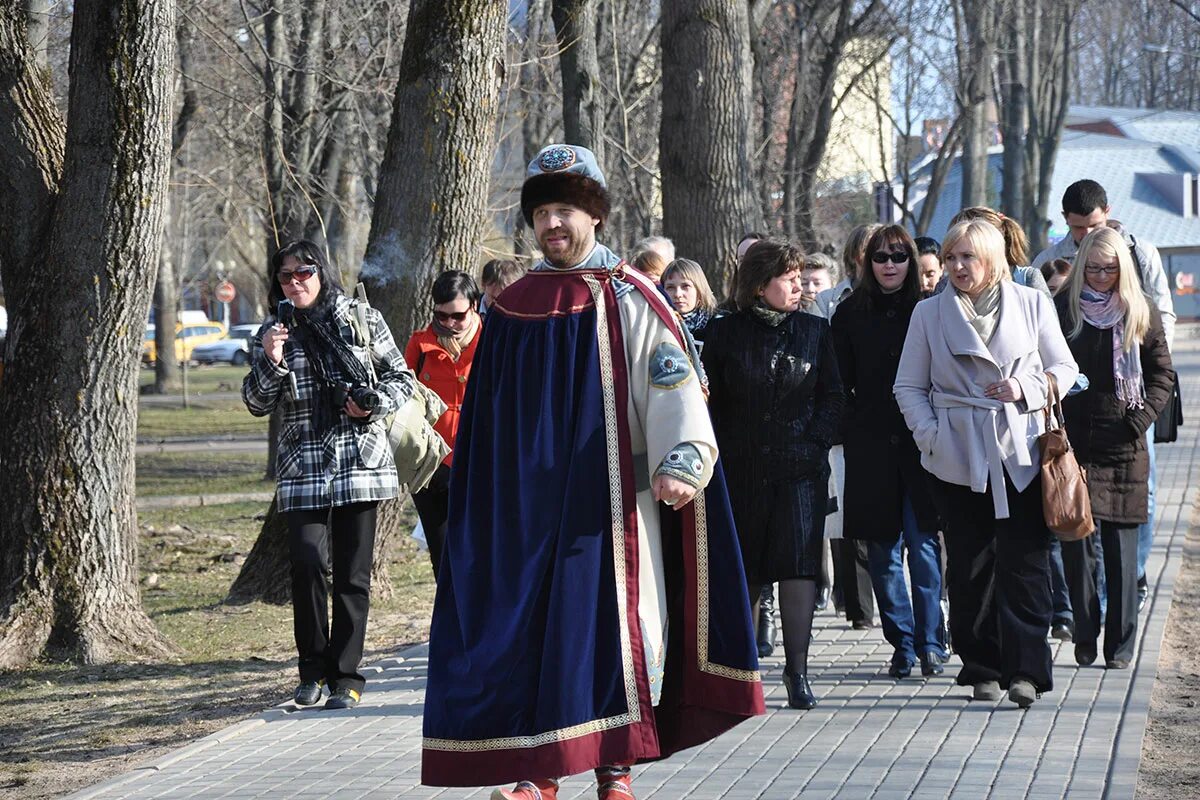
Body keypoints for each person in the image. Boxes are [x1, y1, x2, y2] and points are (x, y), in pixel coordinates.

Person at [421, 145, 763, 800]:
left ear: (595, 217)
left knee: (608, 637)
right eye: (544, 212)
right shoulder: (514, 306)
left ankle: (615, 771)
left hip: (610, 511)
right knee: (531, 638)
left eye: (567, 210)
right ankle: (540, 773)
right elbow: (488, 417)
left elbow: (671, 377)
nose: (554, 224)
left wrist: (682, 457)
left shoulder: (630, 297)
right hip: (527, 516)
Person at [894, 219, 1078, 708]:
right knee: (970, 565)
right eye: (950, 257)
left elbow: (1065, 367)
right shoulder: (928, 315)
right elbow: (908, 386)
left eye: (966, 258)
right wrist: (931, 436)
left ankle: (1027, 671)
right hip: (957, 454)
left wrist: (1027, 389)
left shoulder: (1031, 303)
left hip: (1019, 450)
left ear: (992, 260)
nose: (956, 266)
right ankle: (981, 666)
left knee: (1026, 564)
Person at [242, 240, 416, 711]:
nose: (295, 282)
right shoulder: (273, 330)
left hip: (360, 463)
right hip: (303, 469)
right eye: (285, 276)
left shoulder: (361, 319)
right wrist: (271, 360)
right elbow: (256, 403)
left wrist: (373, 402)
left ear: (322, 271)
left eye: (304, 272)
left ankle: (347, 677)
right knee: (307, 566)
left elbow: (402, 380)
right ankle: (311, 672)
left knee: (353, 576)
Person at [702, 239, 845, 710]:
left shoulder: (813, 330)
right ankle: (740, 673)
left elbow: (833, 397)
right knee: (748, 568)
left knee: (799, 564)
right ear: (760, 285)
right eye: (788, 277)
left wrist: (816, 444)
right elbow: (710, 402)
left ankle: (797, 670)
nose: (798, 284)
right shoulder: (726, 334)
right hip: (741, 467)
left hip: (801, 467)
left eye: (801, 276)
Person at [1031, 180, 1177, 611]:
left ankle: (1131, 581)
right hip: (1078, 414)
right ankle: (1085, 600)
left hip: (1131, 399)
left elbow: (1161, 313)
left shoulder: (1137, 252)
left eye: (1090, 225)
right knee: (1075, 505)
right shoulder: (1050, 260)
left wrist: (1134, 352)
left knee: (1139, 495)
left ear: (1107, 212)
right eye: (1076, 229)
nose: (1083, 237)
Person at [1055, 226, 1174, 670]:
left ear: (1122, 268)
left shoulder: (1141, 312)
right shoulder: (1063, 310)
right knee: (1077, 550)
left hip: (1125, 441)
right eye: (1093, 267)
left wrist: (1141, 419)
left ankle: (1121, 647)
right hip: (1074, 446)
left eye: (1110, 268)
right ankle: (1084, 637)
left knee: (1123, 556)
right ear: (1081, 262)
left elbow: (1163, 374)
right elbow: (1046, 365)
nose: (1102, 276)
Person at [832, 225, 945, 680]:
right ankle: (902, 642)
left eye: (899, 256)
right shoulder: (849, 314)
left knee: (923, 548)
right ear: (867, 263)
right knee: (882, 553)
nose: (890, 264)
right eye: (881, 257)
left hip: (923, 445)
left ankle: (932, 641)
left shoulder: (932, 309)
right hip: (872, 446)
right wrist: (852, 428)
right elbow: (838, 384)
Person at [816, 224, 878, 631]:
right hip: (844, 415)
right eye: (873, 253)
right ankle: (857, 605)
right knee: (848, 515)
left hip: (886, 416)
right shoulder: (828, 301)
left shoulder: (904, 300)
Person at [404, 270, 483, 580]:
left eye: (458, 316)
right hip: (432, 468)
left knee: (479, 555)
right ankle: (452, 625)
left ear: (474, 307)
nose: (449, 323)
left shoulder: (492, 341)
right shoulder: (418, 345)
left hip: (478, 466)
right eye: (441, 315)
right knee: (443, 559)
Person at [661, 257, 720, 339]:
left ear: (699, 290)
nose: (678, 294)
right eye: (670, 287)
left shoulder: (720, 324)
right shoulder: (656, 325)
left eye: (685, 286)